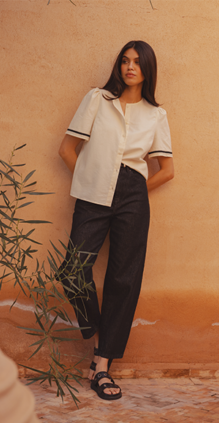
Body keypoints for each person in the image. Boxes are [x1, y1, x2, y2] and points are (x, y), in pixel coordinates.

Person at [57, 40, 174, 400]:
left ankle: (102, 365)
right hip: (94, 191)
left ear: (147, 69)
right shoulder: (98, 100)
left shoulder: (156, 115)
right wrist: (90, 181)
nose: (129, 67)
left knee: (124, 279)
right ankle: (97, 335)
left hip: (133, 193)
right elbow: (66, 149)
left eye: (137, 62)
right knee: (73, 270)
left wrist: (134, 193)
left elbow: (167, 170)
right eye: (124, 61)